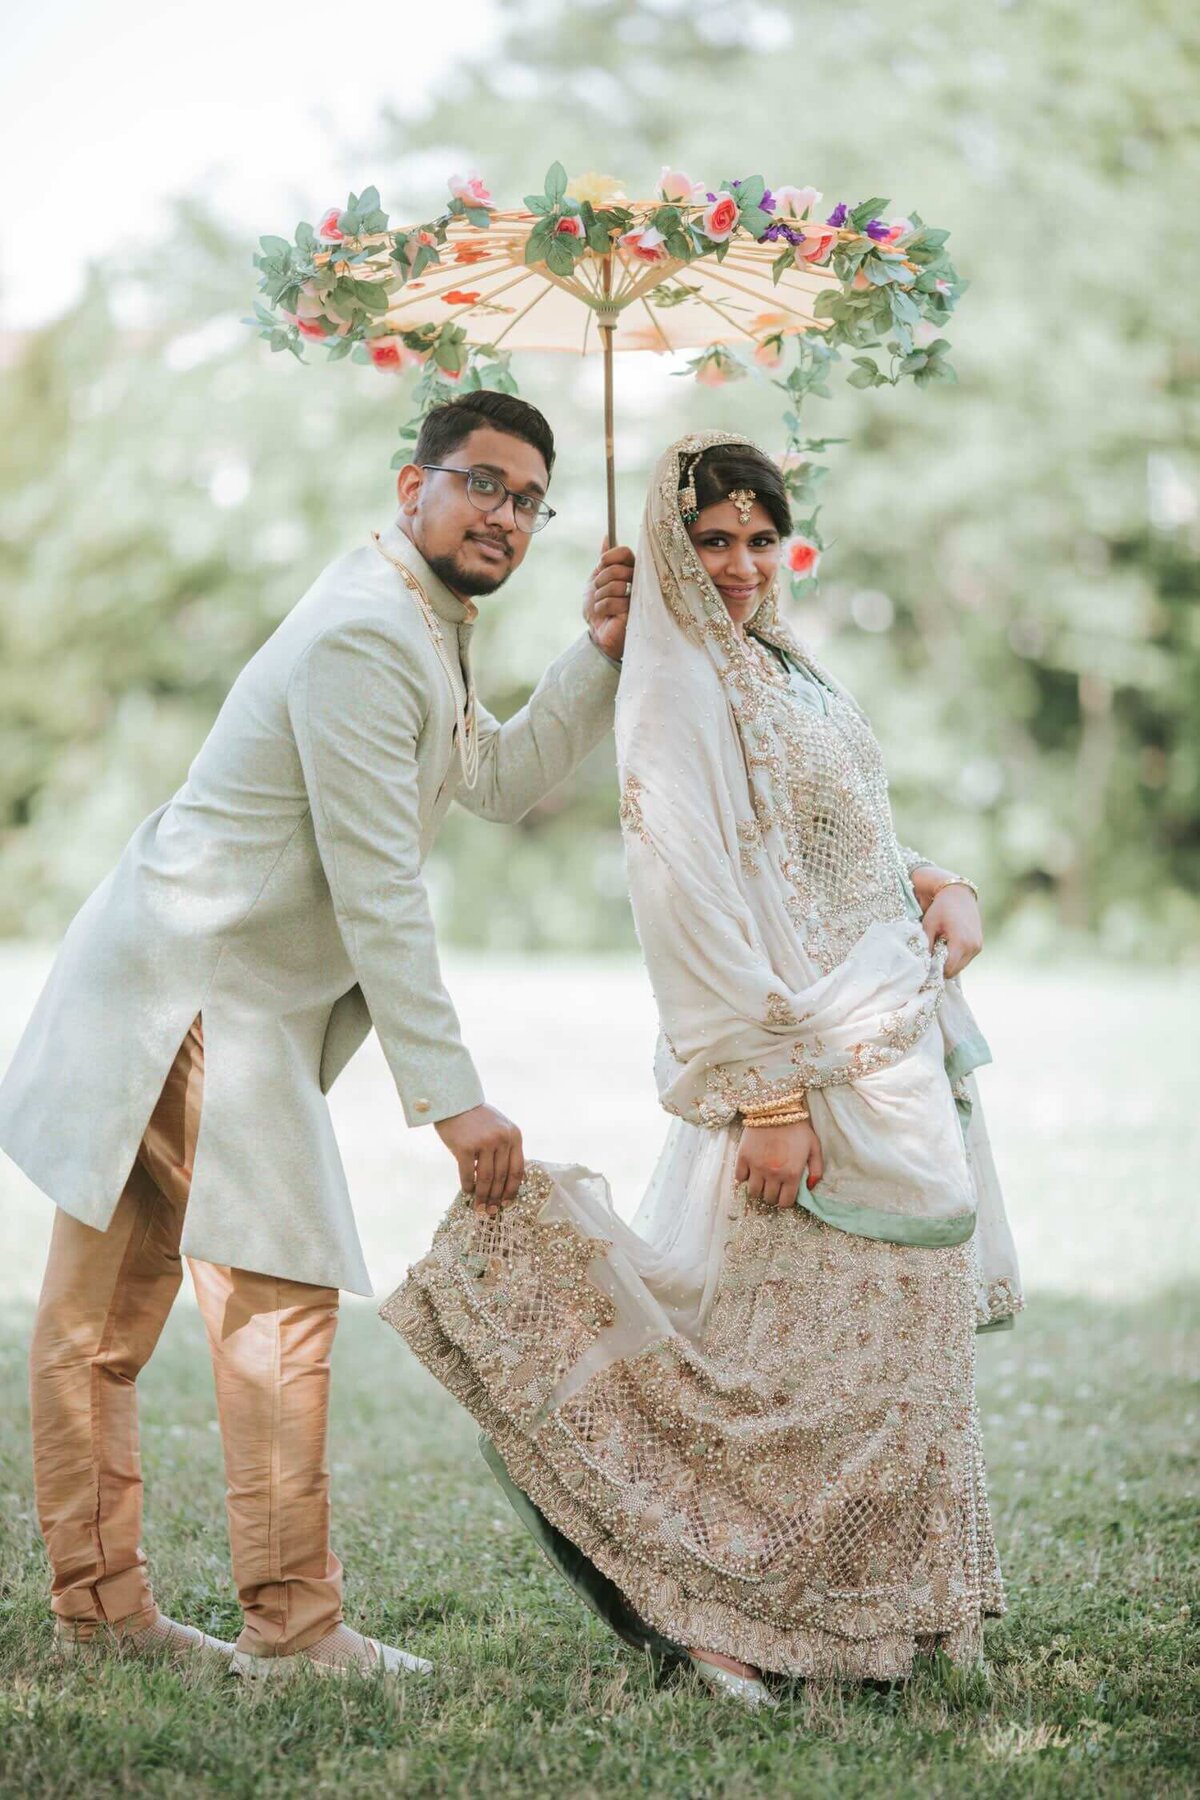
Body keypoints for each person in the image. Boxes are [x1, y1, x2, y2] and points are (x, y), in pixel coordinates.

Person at [0, 391, 635, 1680]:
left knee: (108, 1323)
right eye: (482, 484)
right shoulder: (366, 634)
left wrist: (600, 652)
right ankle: (282, 1628)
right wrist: (450, 1098)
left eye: (528, 498)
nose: (505, 515)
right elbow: (376, 885)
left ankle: (104, 1611)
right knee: (255, 1310)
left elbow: (500, 779)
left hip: (200, 988)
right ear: (415, 488)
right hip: (188, 992)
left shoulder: (418, 621)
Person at [384, 430, 1023, 1707]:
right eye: (710, 540)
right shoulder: (674, 688)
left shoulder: (784, 665)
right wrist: (770, 1100)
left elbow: (823, 843)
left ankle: (847, 1632)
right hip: (793, 1074)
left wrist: (940, 883)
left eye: (757, 538)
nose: (738, 565)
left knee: (877, 1377)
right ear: (671, 548)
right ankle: (728, 1622)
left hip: (891, 1053)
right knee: (776, 1388)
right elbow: (691, 899)